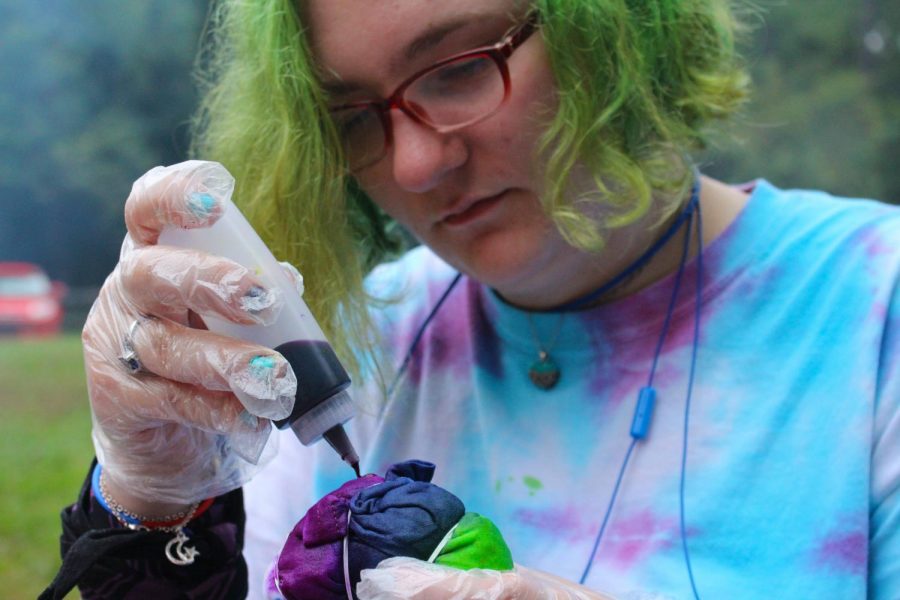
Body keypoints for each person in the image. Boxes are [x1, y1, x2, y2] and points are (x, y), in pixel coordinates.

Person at [44, 0, 899, 598]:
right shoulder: (354, 338)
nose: (413, 167)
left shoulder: (875, 307)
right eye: (350, 118)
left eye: (456, 70)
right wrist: (156, 514)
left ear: (622, 29)